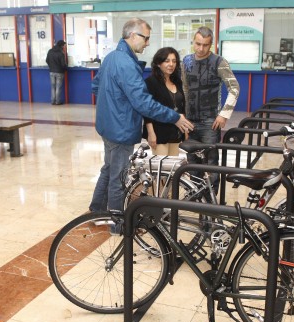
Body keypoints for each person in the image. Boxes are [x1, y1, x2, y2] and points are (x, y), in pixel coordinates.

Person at [89, 18, 194, 213]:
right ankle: (116, 221)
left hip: (108, 125)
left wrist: (116, 103)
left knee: (109, 169)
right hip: (121, 128)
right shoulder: (127, 64)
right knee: (119, 177)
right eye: (145, 39)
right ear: (132, 35)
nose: (147, 43)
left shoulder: (111, 57)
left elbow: (95, 86)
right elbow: (143, 103)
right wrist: (175, 117)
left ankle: (97, 210)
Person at [181, 26, 240, 191]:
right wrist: (182, 118)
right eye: (198, 44)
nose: (201, 48)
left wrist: (224, 114)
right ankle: (196, 197)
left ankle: (210, 205)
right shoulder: (186, 61)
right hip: (189, 121)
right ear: (193, 41)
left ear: (211, 44)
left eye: (205, 45)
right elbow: (185, 89)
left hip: (210, 122)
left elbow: (234, 88)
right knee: (192, 163)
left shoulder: (219, 62)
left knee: (211, 163)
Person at [143, 47, 185, 156]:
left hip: (176, 132)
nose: (171, 64)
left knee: (173, 168)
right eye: (167, 61)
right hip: (159, 132)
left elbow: (181, 106)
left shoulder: (177, 81)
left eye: (174, 61)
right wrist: (151, 133)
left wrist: (185, 130)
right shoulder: (151, 82)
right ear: (158, 63)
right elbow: (147, 110)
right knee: (161, 169)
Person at [46, 40, 68, 105]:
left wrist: (51, 66)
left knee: (53, 87)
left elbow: (47, 60)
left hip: (51, 71)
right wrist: (65, 69)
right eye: (64, 45)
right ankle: (57, 101)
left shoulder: (50, 51)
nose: (64, 47)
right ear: (61, 45)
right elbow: (63, 64)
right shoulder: (61, 53)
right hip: (59, 72)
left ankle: (53, 101)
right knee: (58, 87)